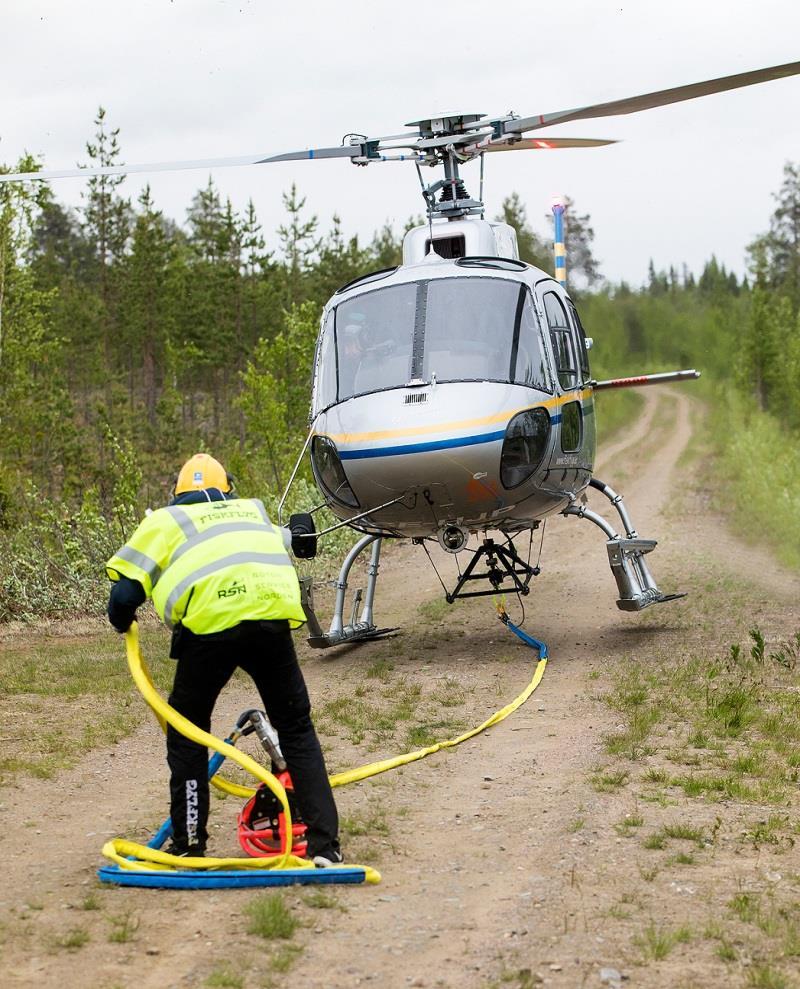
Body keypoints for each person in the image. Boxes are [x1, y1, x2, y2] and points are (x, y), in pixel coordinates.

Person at [105, 453, 342, 866]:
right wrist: (303, 528)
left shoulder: (165, 521)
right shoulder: (250, 512)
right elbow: (295, 539)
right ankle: (326, 848)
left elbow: (124, 596)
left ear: (176, 494)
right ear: (227, 491)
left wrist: (122, 621)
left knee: (189, 730)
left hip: (210, 629)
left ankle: (190, 843)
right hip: (270, 622)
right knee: (296, 728)